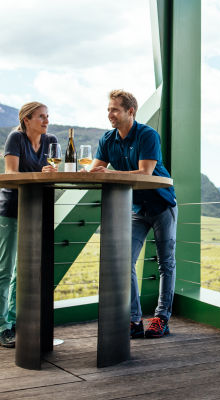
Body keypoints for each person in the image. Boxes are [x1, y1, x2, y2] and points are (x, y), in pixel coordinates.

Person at [89, 89, 177, 340]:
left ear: (130, 111)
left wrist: (110, 174)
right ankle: (134, 319)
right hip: (137, 208)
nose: (110, 114)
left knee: (165, 264)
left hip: (162, 205)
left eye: (115, 109)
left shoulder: (148, 135)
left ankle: (161, 318)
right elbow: (96, 171)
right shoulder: (107, 139)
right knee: (124, 261)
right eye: (108, 109)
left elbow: (146, 173)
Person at [0, 101, 59, 349]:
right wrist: (42, 174)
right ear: (26, 119)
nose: (46, 120)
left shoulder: (51, 141)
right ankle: (0, 328)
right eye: (41, 116)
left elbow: (53, 172)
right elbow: (11, 174)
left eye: (47, 116)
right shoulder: (15, 139)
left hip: (34, 213)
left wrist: (51, 174)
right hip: (10, 212)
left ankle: (17, 321)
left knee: (23, 273)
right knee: (5, 271)